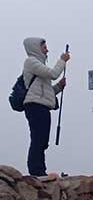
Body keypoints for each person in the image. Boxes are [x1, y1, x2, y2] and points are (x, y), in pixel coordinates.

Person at [21, 37, 69, 176]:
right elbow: (53, 74)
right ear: (35, 48)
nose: (47, 49)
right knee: (38, 139)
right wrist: (62, 60)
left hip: (41, 106)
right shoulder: (31, 62)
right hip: (35, 106)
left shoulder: (39, 65)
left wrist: (59, 88)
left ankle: (39, 170)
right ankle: (37, 171)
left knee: (42, 140)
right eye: (44, 47)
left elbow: (47, 92)